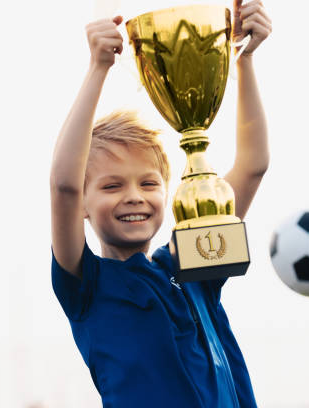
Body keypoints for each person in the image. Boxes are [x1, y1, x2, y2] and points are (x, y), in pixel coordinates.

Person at [49, 1, 271, 406]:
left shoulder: (192, 262)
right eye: (112, 186)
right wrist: (98, 67)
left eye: (148, 183)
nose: (134, 195)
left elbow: (253, 167)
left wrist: (243, 58)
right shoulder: (86, 285)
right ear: (83, 204)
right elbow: (63, 185)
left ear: (166, 192)